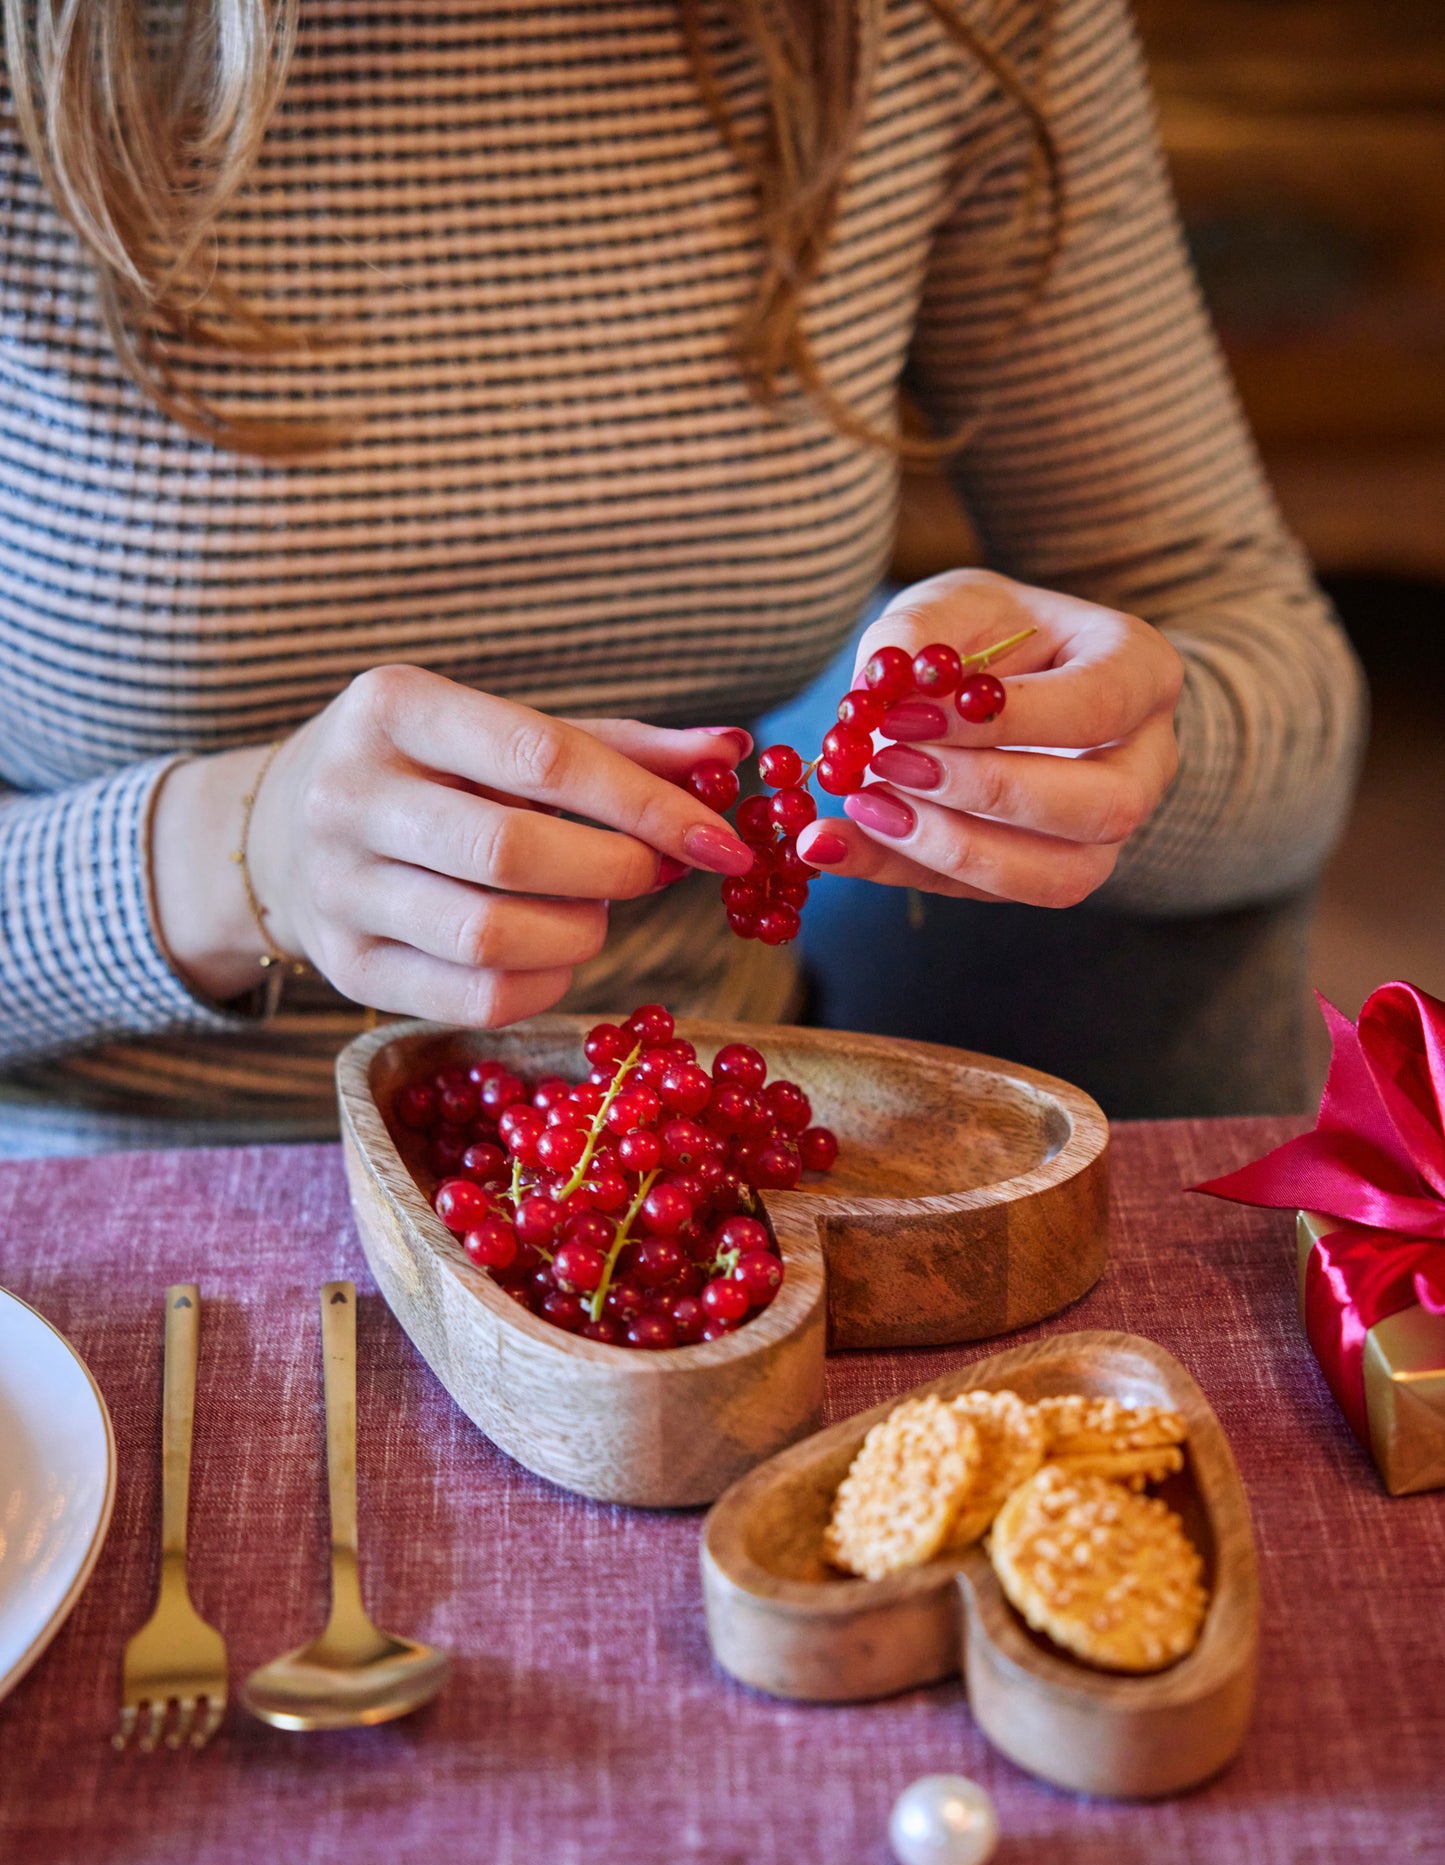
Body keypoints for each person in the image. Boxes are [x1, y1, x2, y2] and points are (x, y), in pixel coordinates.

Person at [0, 0, 1364, 1155]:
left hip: (714, 1173)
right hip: (110, 1251)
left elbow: (1278, 693)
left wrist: (1107, 753)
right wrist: (220, 858)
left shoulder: (937, 28)